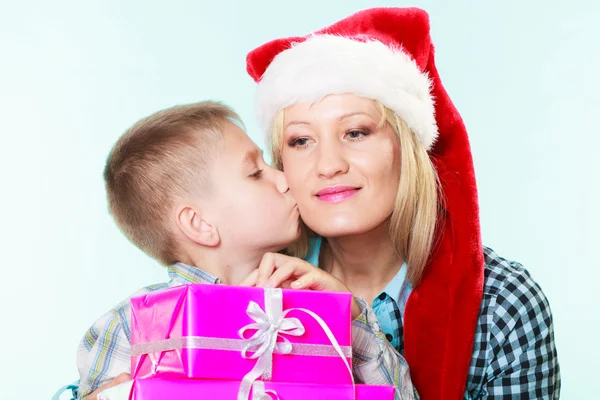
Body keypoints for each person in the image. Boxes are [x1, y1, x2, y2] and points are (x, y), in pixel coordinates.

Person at [244, 7, 560, 399]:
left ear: (407, 149)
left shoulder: (501, 305)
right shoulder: (252, 292)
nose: (327, 165)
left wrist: (356, 329)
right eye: (301, 141)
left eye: (356, 132)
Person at [75, 101, 304, 399]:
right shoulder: (133, 327)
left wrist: (352, 317)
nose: (286, 180)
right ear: (199, 224)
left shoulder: (312, 305)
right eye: (255, 173)